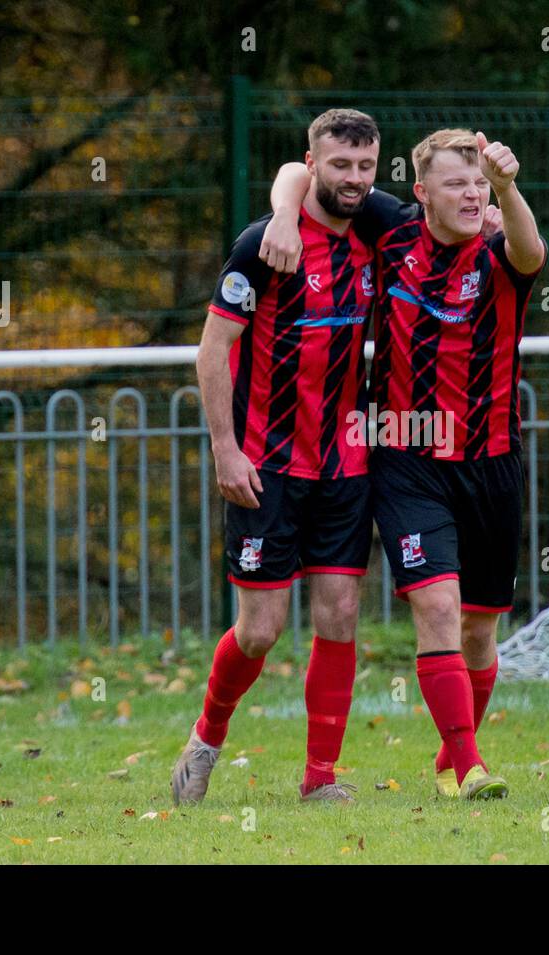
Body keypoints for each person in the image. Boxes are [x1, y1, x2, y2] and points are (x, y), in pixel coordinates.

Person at [263, 127, 546, 799]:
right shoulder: (391, 231)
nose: (472, 194)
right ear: (421, 195)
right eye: (457, 183)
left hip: (492, 462)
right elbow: (301, 173)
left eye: (479, 184)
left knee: (479, 630)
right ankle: (471, 765)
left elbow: (534, 250)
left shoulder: (501, 253)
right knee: (439, 608)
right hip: (404, 456)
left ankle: (452, 756)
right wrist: (280, 216)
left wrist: (508, 186)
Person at [170, 108, 381, 805]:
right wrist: (225, 451)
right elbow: (212, 351)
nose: (353, 179)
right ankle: (205, 739)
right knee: (259, 630)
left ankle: (320, 779)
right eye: (340, 165)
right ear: (312, 162)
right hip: (266, 464)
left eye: (365, 166)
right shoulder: (265, 243)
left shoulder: (380, 232)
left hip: (346, 464)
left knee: (341, 612)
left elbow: (447, 214)